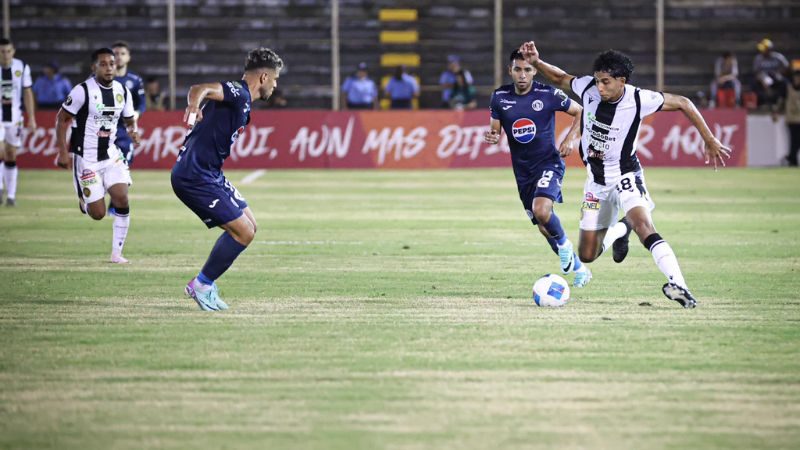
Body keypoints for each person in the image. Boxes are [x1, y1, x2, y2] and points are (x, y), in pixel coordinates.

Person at [519, 41, 731, 308]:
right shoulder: (587, 88)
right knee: (587, 255)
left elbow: (684, 103)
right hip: (595, 184)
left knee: (645, 226)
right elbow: (561, 77)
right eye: (597, 81)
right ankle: (622, 229)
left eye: (606, 82)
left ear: (622, 80)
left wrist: (709, 139)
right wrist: (537, 62)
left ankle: (679, 285)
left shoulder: (640, 99)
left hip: (625, 176)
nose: (599, 87)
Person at [171, 47, 283, 311]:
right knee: (243, 232)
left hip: (210, 173)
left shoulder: (243, 102)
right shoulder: (239, 91)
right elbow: (200, 88)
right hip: (194, 176)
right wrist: (192, 106)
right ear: (264, 77)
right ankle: (201, 285)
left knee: (250, 226)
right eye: (276, 80)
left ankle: (205, 283)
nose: (276, 86)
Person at [484, 50, 590, 287]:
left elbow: (581, 111)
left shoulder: (548, 93)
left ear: (534, 71)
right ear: (510, 71)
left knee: (542, 211)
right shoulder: (499, 97)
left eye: (528, 70)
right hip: (522, 172)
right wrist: (492, 135)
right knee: (543, 226)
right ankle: (579, 268)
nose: (523, 75)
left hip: (548, 163)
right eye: (518, 69)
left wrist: (570, 139)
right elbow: (495, 129)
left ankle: (564, 243)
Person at [54, 48, 139, 264]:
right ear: (94, 67)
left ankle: (116, 254)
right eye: (103, 64)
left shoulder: (122, 91)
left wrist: (133, 131)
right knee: (98, 213)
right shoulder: (82, 90)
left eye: (111, 63)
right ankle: (85, 200)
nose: (109, 67)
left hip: (111, 154)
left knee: (121, 197)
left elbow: (129, 118)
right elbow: (62, 119)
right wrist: (63, 152)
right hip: (86, 158)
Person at [0, 38, 37, 207]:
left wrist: (32, 118)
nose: (6, 55)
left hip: (15, 116)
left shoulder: (21, 67)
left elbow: (27, 93)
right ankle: (0, 187)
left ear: (13, 51)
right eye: (2, 51)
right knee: (1, 151)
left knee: (11, 155)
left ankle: (11, 195)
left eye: (8, 51)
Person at [112, 41, 146, 165]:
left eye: (122, 53)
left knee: (124, 165)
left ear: (128, 57)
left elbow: (142, 104)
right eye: (115, 53)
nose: (119, 56)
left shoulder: (135, 80)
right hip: (102, 126)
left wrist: (136, 114)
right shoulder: (99, 77)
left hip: (123, 127)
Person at [752, 38, 789, 108]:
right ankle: (762, 103)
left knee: (785, 82)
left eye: (765, 49)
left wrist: (780, 72)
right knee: (754, 83)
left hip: (775, 77)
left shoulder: (778, 57)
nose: (763, 51)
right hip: (763, 78)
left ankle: (781, 102)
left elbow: (786, 67)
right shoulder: (758, 58)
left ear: (770, 49)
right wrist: (762, 80)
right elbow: (756, 72)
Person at [779, 64, 800, 166]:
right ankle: (792, 160)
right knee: (794, 141)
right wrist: (776, 111)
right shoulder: (788, 88)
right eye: (796, 77)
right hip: (792, 119)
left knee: (797, 142)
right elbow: (781, 101)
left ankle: (791, 158)